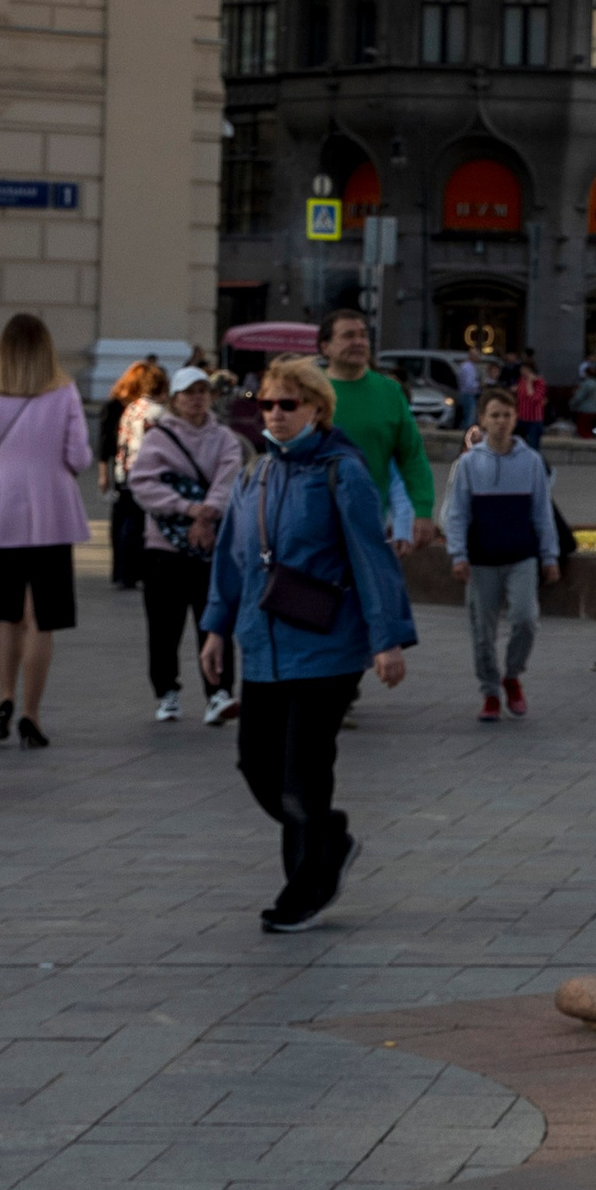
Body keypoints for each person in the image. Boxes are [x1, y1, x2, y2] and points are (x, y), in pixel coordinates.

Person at [201, 358, 414, 930]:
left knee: (302, 777)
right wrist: (216, 627)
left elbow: (372, 557)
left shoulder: (342, 472)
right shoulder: (256, 475)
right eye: (266, 404)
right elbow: (232, 558)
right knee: (256, 765)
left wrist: (386, 640)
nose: (274, 414)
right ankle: (332, 837)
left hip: (326, 646)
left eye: (287, 405)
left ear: (318, 410)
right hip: (263, 644)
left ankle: (303, 888)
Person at [0, 313, 92, 752]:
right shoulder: (64, 393)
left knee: (9, 613)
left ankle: (4, 696)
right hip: (51, 510)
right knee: (43, 619)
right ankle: (30, 715)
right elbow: (79, 456)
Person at [125, 364, 244, 723]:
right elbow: (143, 484)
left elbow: (230, 477)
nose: (196, 399)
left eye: (202, 391)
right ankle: (167, 692)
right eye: (188, 393)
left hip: (212, 545)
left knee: (215, 621)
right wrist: (189, 509)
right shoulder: (158, 438)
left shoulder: (224, 437)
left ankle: (219, 692)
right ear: (175, 399)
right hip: (164, 548)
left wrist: (207, 514)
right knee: (164, 626)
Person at [446, 386, 561, 719]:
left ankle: (512, 675)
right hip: (482, 559)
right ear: (482, 419)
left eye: (507, 415)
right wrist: (458, 554)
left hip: (521, 555)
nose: (500, 422)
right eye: (494, 415)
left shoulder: (531, 461)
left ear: (515, 419)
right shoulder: (469, 464)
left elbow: (542, 512)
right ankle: (490, 691)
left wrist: (549, 556)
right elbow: (457, 513)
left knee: (526, 619)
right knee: (482, 632)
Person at [318, 309, 437, 547]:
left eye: (363, 335)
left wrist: (423, 510)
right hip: (313, 522)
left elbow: (411, 456)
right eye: (348, 335)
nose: (359, 342)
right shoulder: (310, 391)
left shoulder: (389, 393)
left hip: (370, 524)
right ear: (325, 347)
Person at [99, 359, 166, 590]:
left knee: (125, 524)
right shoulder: (157, 412)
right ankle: (134, 571)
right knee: (139, 526)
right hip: (147, 472)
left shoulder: (131, 408)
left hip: (125, 471)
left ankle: (122, 571)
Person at [511, 351, 549, 452]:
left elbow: (534, 399)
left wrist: (530, 383)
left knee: (533, 446)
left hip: (534, 419)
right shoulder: (521, 381)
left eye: (525, 370)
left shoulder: (539, 383)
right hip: (521, 417)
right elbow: (518, 396)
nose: (522, 372)